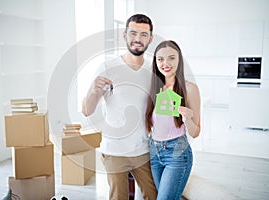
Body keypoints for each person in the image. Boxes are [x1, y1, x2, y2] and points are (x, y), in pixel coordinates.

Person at [82, 14, 157, 200]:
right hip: (114, 149)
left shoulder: (153, 70)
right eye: (133, 33)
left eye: (143, 34)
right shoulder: (107, 67)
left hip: (143, 148)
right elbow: (86, 110)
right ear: (124, 35)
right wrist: (93, 90)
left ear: (150, 39)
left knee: (153, 195)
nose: (137, 39)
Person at [145, 40, 201, 200]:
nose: (165, 63)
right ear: (155, 62)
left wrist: (187, 118)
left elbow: (195, 132)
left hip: (177, 151)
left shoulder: (190, 89)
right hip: (154, 151)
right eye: (160, 59)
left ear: (179, 60)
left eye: (171, 58)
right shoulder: (154, 87)